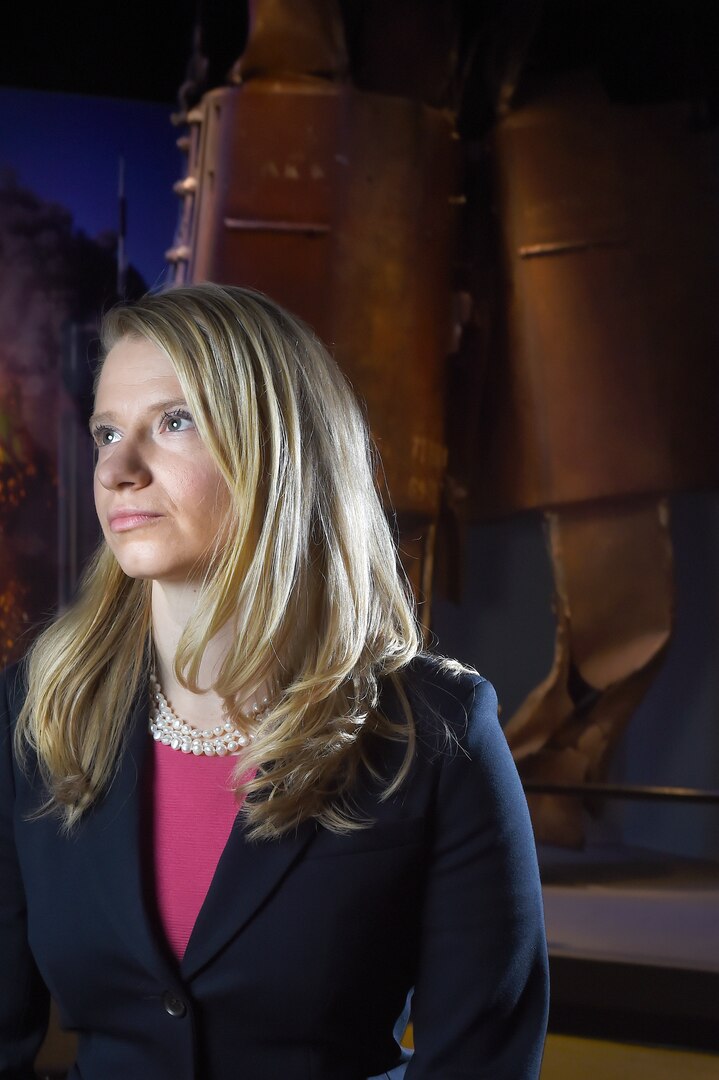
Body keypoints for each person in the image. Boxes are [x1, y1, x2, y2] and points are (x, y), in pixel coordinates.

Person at [0, 283, 549, 1080]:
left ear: (278, 451)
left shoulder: (436, 731)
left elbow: (482, 1064)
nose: (117, 469)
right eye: (107, 431)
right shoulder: (37, 710)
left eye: (174, 422)